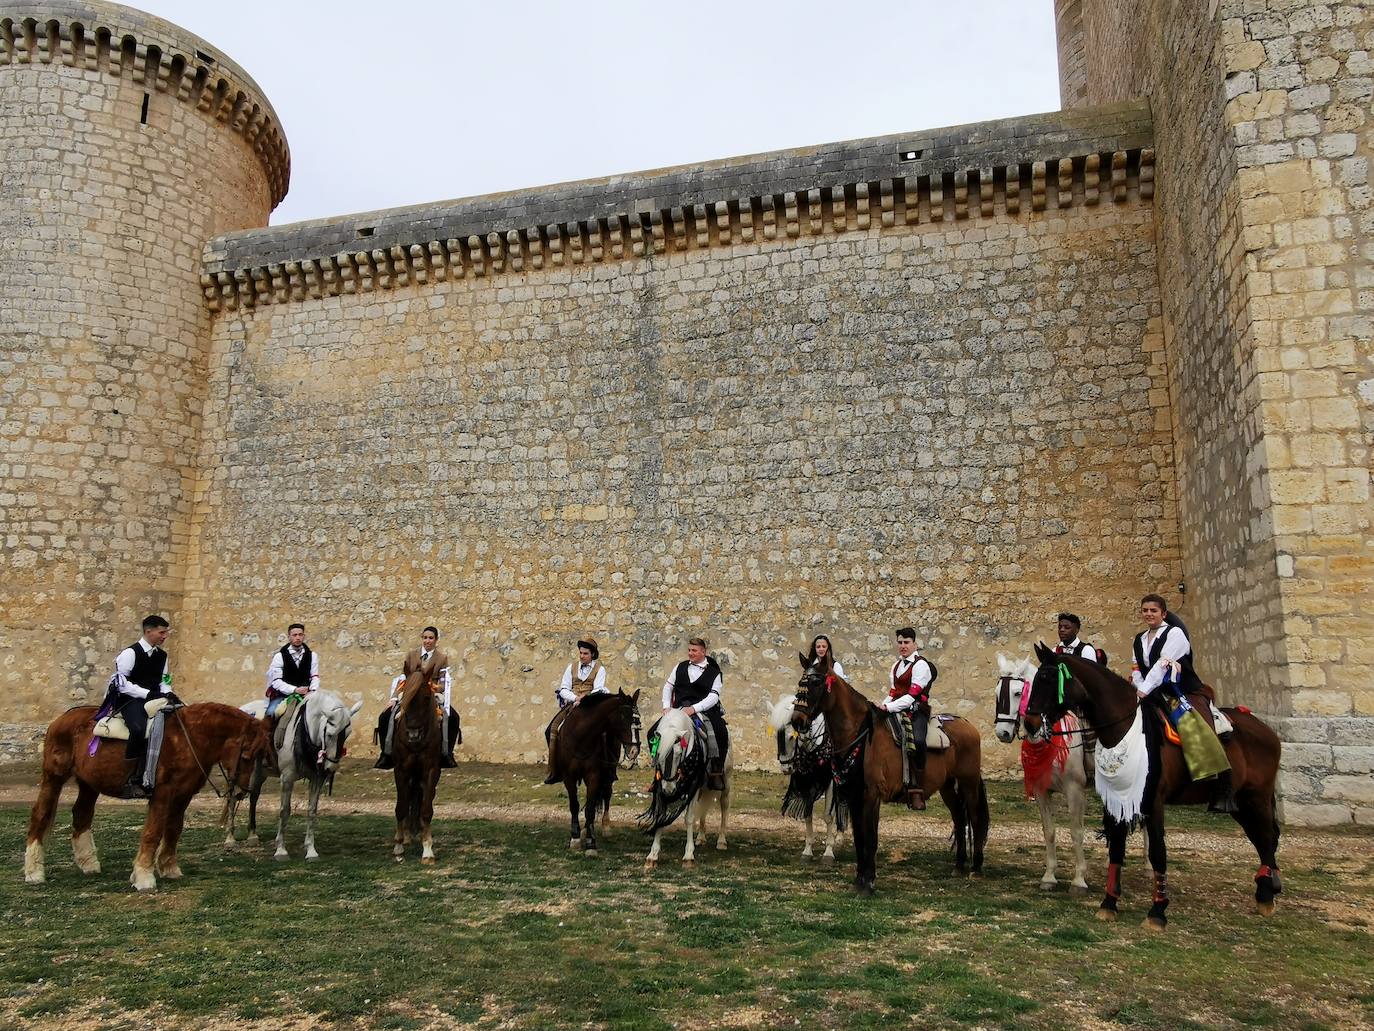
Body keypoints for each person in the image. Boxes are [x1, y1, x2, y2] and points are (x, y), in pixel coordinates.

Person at [1131, 594, 1233, 812]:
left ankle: (1221, 785)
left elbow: (1162, 665)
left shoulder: (1175, 634)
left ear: (1163, 614)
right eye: (1145, 610)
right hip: (1152, 692)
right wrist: (1139, 688)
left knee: (1195, 726)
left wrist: (1143, 691)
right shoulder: (1139, 639)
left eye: (1153, 611)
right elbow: (1137, 668)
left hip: (1184, 691)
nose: (1149, 614)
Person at [104, 615, 176, 798]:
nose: (164, 636)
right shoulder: (130, 653)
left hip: (154, 699)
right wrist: (147, 694)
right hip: (130, 700)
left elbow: (165, 679)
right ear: (148, 631)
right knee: (138, 729)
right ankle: (130, 779)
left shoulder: (163, 656)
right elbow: (121, 683)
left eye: (165, 632)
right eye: (161, 632)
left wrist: (167, 692)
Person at [375, 626, 458, 769]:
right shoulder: (411, 655)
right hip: (409, 694)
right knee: (384, 716)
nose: (427, 641)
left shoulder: (442, 658)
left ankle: (447, 753)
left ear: (436, 640)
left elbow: (443, 682)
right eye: (425, 638)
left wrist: (432, 687)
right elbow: (402, 678)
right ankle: (386, 753)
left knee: (453, 717)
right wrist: (394, 698)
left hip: (430, 694)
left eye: (431, 638)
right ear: (422, 639)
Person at [877, 626, 934, 810]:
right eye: (900, 642)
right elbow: (893, 693)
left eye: (906, 642)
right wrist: (880, 706)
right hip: (897, 709)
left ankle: (918, 788)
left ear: (914, 644)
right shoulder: (896, 666)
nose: (903, 646)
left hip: (917, 711)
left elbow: (911, 696)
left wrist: (888, 707)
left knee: (917, 741)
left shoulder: (921, 665)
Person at [661, 638, 728, 791]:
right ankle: (659, 774)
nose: (690, 653)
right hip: (678, 711)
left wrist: (694, 709)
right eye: (689, 650)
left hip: (704, 711)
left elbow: (714, 696)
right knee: (654, 732)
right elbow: (668, 686)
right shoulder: (680, 667)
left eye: (694, 651)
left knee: (721, 732)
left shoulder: (715, 673)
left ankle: (716, 773)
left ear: (703, 652)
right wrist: (666, 707)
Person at [544, 637, 608, 784]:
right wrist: (575, 698)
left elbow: (598, 689)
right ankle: (556, 770)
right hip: (572, 704)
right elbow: (563, 688)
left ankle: (607, 769)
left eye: (585, 653)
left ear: (592, 654)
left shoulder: (600, 669)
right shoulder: (571, 667)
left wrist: (584, 699)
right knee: (551, 730)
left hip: (591, 705)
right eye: (580, 653)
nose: (582, 656)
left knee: (606, 732)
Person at [264, 622, 319, 749]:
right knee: (271, 713)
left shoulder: (312, 655)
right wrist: (294, 689)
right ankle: (268, 747)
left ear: (304, 636)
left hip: (307, 694)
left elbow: (314, 676)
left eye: (300, 634)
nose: (297, 637)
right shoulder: (279, 656)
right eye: (294, 635)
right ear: (289, 637)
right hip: (283, 696)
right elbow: (276, 681)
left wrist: (313, 690)